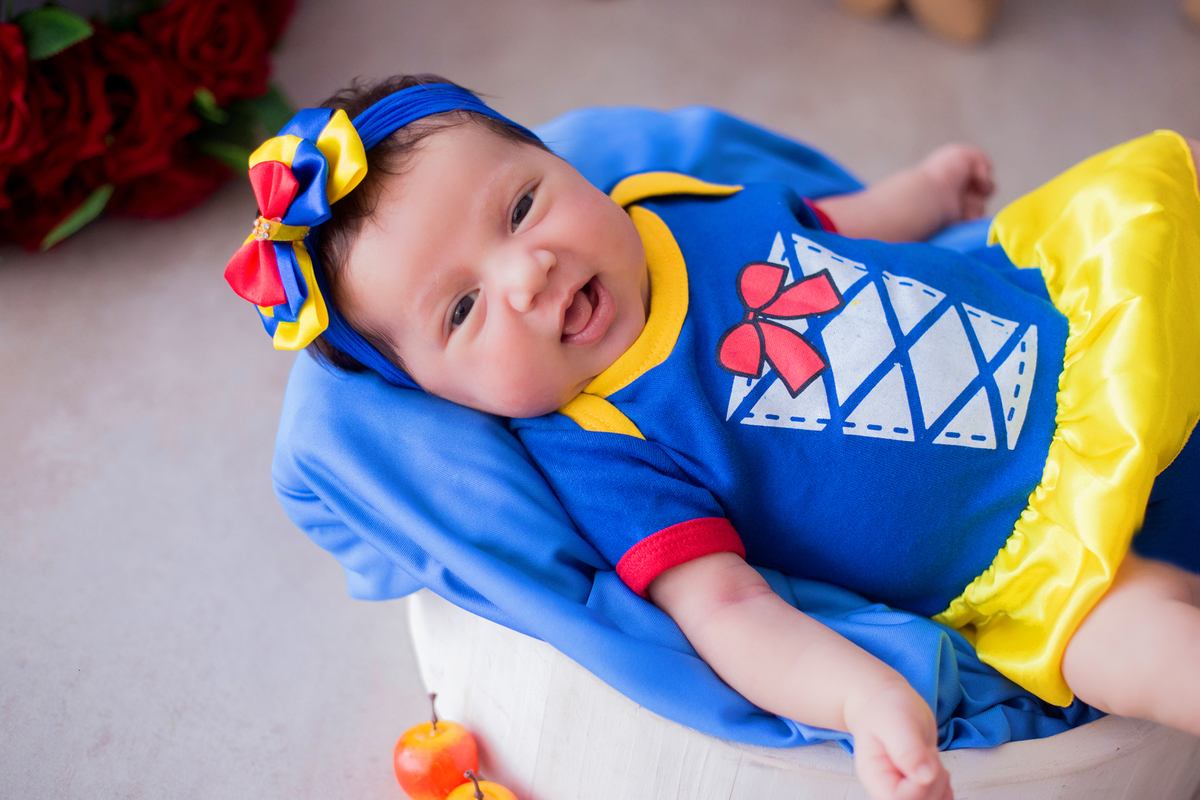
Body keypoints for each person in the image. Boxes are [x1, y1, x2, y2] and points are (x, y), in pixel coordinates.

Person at [225, 74, 1200, 800]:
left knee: (1169, 216)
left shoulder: (666, 207)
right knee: (1149, 657)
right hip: (1044, 566)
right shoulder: (598, 448)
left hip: (1081, 338)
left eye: (521, 206)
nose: (527, 272)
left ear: (564, 166)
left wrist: (930, 191)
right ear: (450, 398)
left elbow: (835, 226)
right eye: (463, 309)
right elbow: (729, 608)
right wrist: (861, 700)